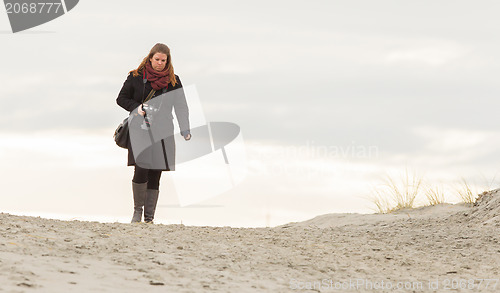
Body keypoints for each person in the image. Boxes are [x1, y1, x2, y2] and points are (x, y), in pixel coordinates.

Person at [116, 43, 191, 223]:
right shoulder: (135, 76)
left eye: (163, 60)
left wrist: (185, 129)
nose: (159, 63)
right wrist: (137, 107)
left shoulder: (174, 81)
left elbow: (181, 106)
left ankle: (149, 217)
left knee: (156, 172)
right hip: (139, 129)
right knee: (141, 168)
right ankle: (137, 212)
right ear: (150, 58)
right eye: (157, 59)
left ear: (168, 61)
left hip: (163, 130)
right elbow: (121, 98)